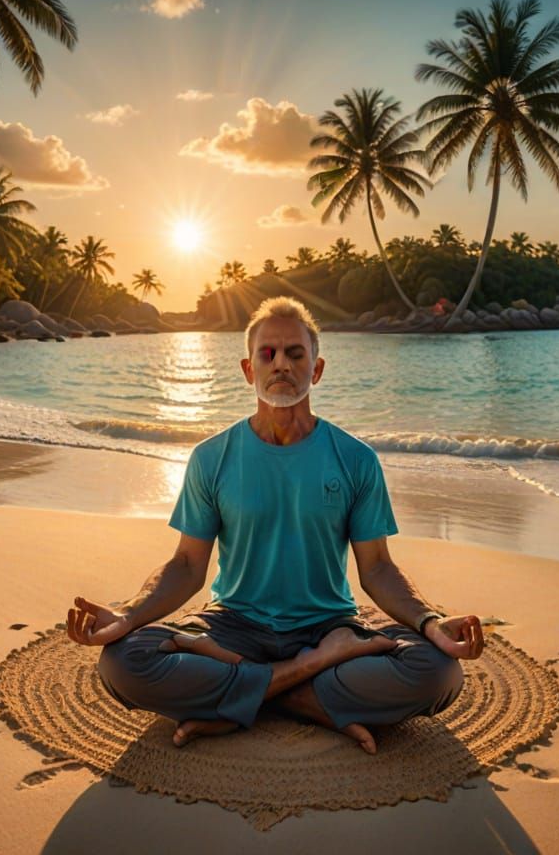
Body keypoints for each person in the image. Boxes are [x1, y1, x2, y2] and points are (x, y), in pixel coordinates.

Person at [66, 297, 483, 754]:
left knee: (438, 671)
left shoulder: (356, 459)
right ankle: (308, 689)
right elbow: (186, 564)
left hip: (328, 623)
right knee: (124, 661)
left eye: (294, 353)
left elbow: (378, 568)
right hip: (232, 625)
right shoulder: (211, 458)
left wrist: (429, 622)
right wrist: (128, 616)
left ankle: (243, 697)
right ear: (249, 370)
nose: (280, 363)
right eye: (267, 354)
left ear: (316, 369)